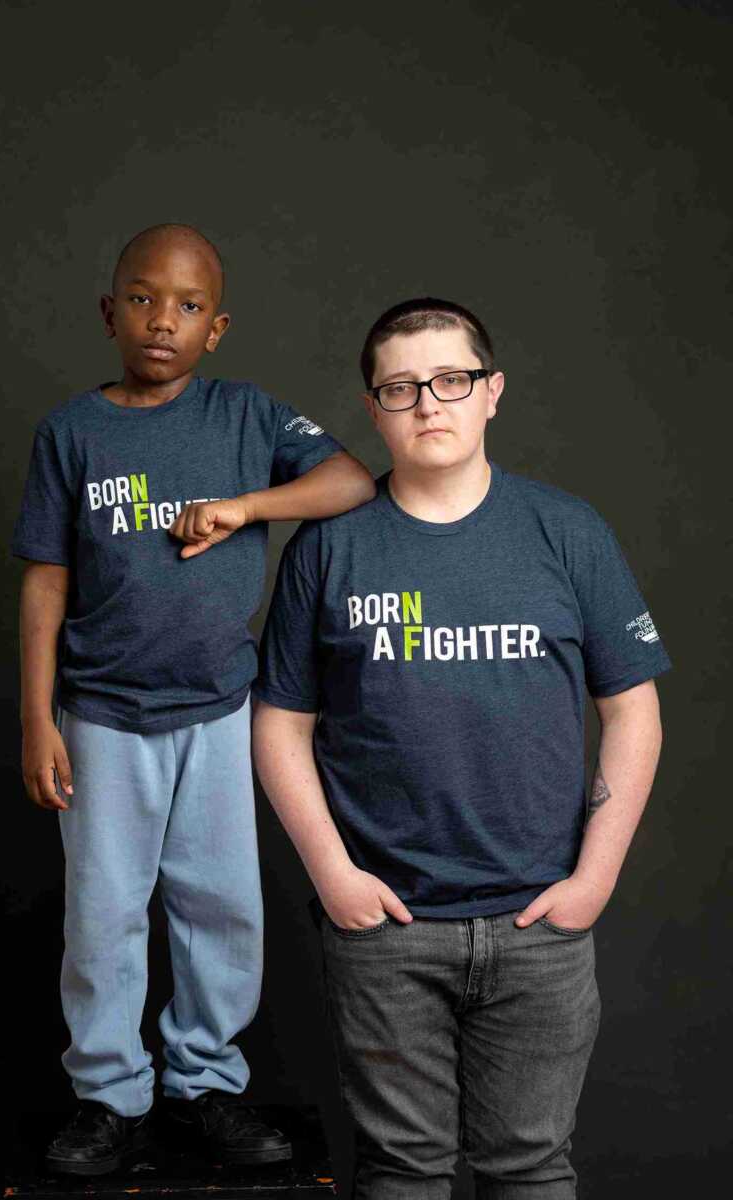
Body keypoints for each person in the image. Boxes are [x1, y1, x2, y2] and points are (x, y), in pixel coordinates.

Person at [251, 297, 671, 1199]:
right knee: (403, 1173)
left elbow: (634, 710)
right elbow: (279, 723)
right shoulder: (329, 549)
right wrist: (332, 875)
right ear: (374, 408)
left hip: (540, 928)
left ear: (492, 393)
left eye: (451, 380)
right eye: (401, 388)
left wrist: (593, 879)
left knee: (529, 1170)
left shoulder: (568, 532)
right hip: (387, 929)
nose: (428, 404)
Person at [10, 222, 375, 1177]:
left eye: (186, 305)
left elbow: (347, 480)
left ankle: (206, 1084)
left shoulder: (245, 417)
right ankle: (107, 1096)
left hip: (217, 710)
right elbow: (45, 580)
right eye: (142, 298)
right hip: (100, 716)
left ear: (216, 327)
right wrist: (35, 717)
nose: (161, 319)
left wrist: (247, 507)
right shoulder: (72, 432)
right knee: (104, 915)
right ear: (109, 311)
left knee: (220, 909)